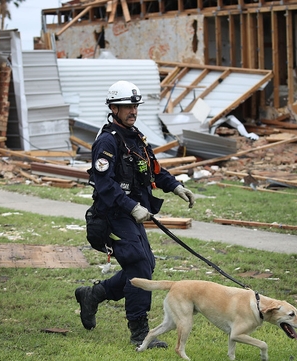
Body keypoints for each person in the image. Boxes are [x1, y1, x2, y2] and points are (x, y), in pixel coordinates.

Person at [75, 80, 196, 348]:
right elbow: (104, 184)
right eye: (127, 106)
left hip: (131, 215)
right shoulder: (107, 142)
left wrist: (176, 186)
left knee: (144, 266)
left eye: (135, 105)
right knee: (140, 265)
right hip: (112, 216)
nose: (133, 110)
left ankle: (93, 295)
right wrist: (132, 206)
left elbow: (153, 169)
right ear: (113, 108)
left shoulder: (136, 137)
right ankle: (140, 333)